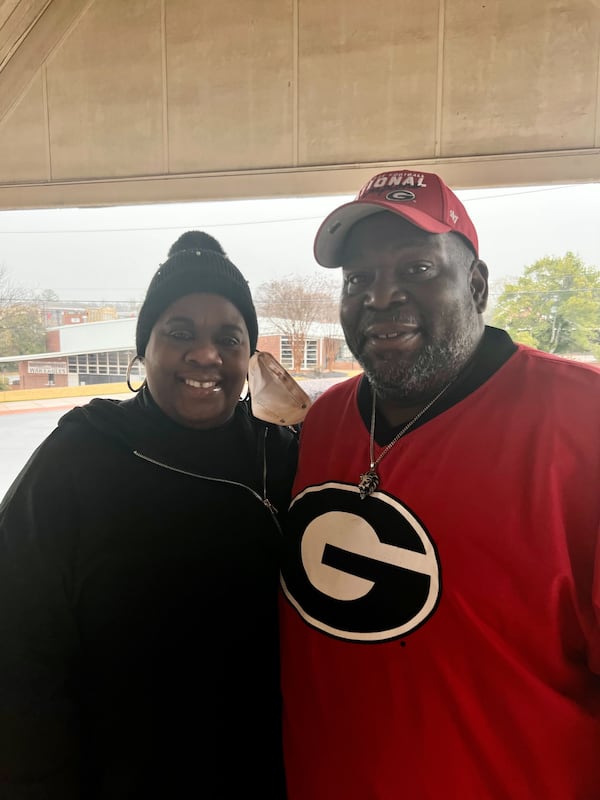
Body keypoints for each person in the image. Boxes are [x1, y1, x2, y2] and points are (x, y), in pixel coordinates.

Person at [278, 169, 600, 799]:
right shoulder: (324, 424)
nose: (380, 297)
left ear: (476, 286)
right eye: (358, 280)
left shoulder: (583, 422)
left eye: (417, 270)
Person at [0, 231, 298, 798]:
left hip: (266, 771)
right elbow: (16, 647)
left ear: (248, 357)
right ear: (146, 349)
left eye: (228, 338)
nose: (205, 354)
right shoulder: (82, 455)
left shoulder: (281, 454)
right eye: (179, 333)